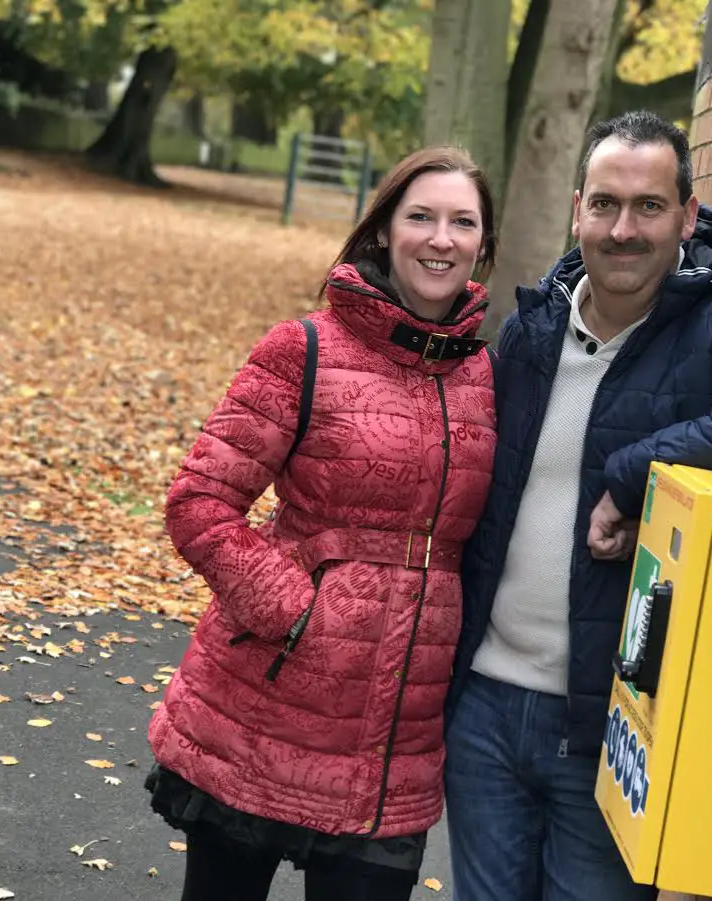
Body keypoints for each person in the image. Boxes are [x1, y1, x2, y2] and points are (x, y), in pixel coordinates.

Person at [444, 110, 712, 901]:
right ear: (578, 209)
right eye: (604, 204)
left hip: (614, 725)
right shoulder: (529, 332)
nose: (622, 228)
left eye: (647, 206)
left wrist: (635, 472)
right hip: (486, 709)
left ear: (687, 215)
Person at [146, 146, 499, 901]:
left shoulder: (484, 376)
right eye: (421, 217)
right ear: (382, 232)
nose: (441, 238)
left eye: (461, 222)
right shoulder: (303, 349)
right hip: (266, 707)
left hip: (394, 741)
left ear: (481, 246)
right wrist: (297, 610)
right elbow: (199, 502)